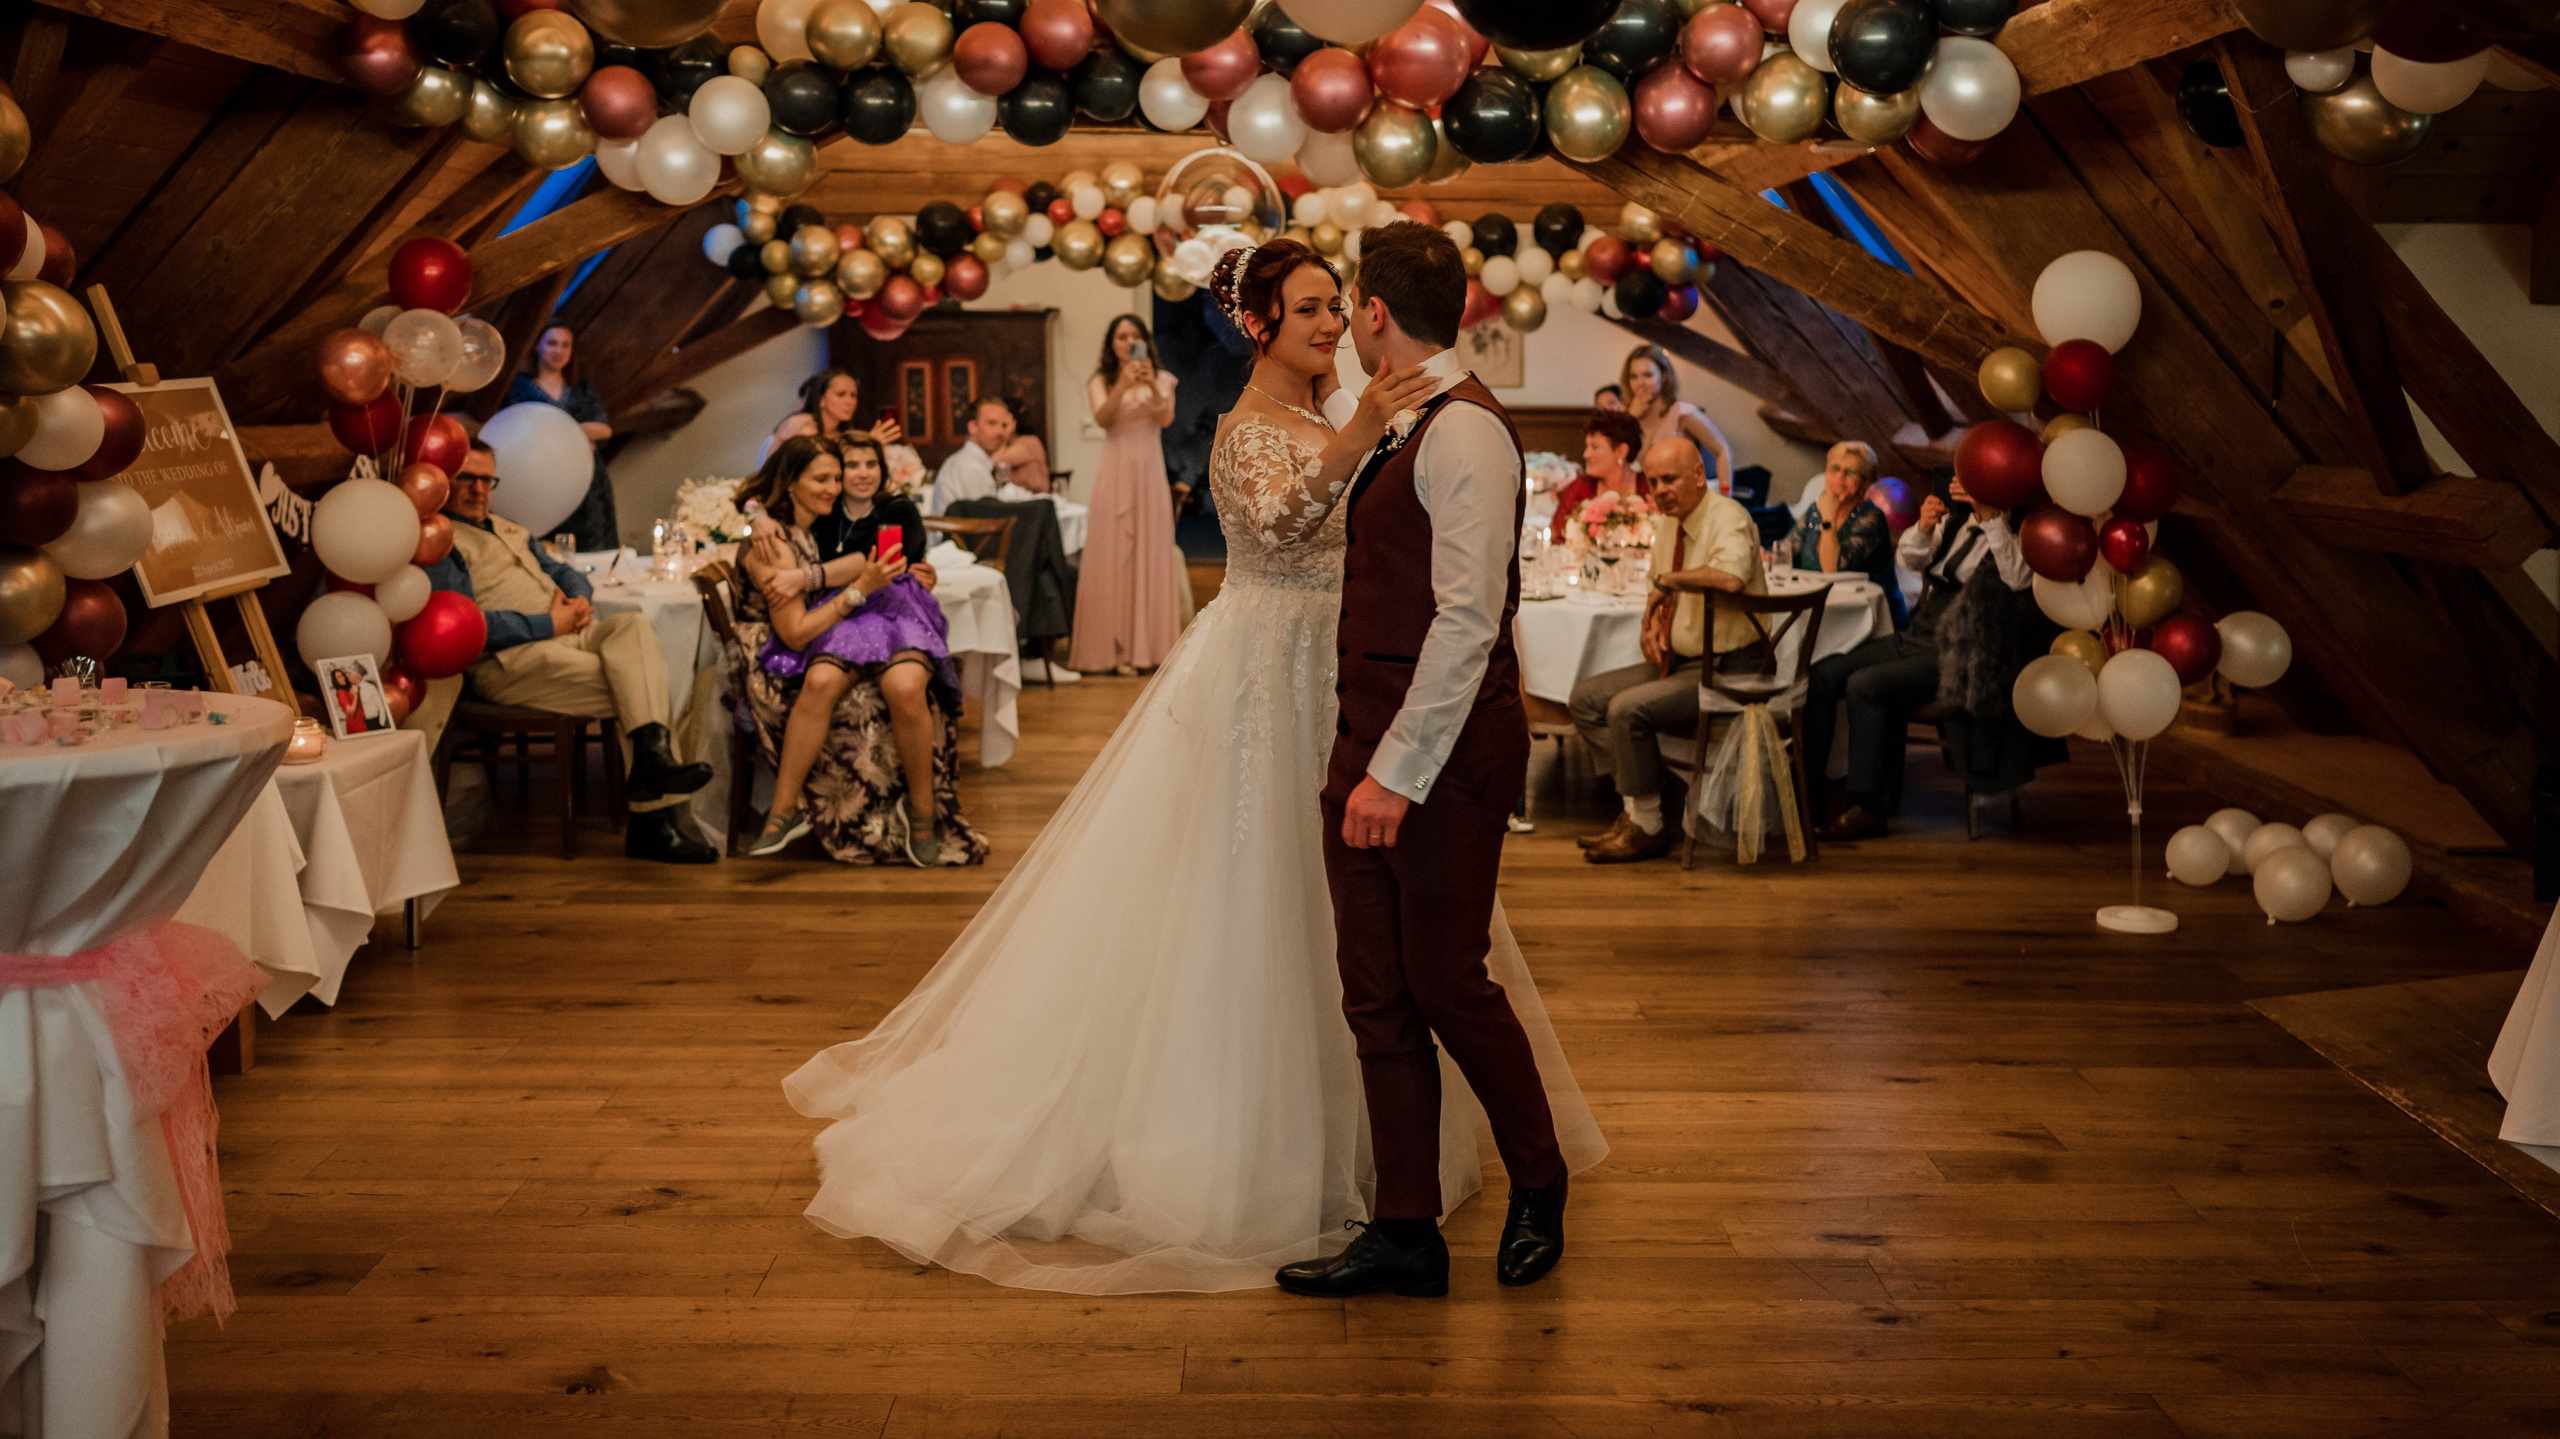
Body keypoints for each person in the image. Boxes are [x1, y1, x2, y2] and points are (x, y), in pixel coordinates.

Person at [781, 233, 1602, 1297]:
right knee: (1313, 937)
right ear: (1260, 324)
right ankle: (1370, 1201)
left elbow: (1456, 604)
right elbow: (1271, 519)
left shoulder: (1439, 427)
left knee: (1431, 965)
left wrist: (1399, 746)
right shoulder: (1279, 425)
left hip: (1375, 703)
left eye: (1334, 306)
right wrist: (1356, 435)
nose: (1327, 324)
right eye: (1305, 308)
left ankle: (1479, 1181)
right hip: (1278, 676)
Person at [1275, 221, 1589, 1302]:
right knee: (1374, 990)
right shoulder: (1401, 418)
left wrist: (1393, 774)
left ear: (1372, 312)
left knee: (1447, 978)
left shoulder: (1467, 434)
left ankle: (1539, 1179)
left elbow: (1466, 624)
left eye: (1348, 306)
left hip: (1438, 752)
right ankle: (1404, 1228)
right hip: (1363, 728)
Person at [424, 440, 717, 864]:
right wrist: (548, 624)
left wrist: (579, 597)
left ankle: (651, 767)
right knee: (645, 683)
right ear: (445, 482)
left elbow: (561, 569)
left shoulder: (509, 528)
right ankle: (653, 822)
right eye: (466, 478)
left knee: (633, 626)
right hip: (511, 660)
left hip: (571, 633)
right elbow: (465, 627)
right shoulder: (443, 542)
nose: (478, 489)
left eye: (487, 480)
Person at [733, 436, 982, 867]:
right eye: (841, 470)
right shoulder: (806, 523)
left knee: (905, 688)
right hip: (841, 617)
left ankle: (923, 814)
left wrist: (807, 577)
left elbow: (875, 559)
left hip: (889, 608)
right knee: (821, 679)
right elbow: (757, 497)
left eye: (869, 465)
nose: (842, 480)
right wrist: (756, 517)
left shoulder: (891, 510)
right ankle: (783, 811)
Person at [1568, 438, 1770, 866]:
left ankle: (1648, 826)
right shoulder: (1669, 524)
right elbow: (1657, 586)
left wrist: (1670, 583)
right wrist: (1651, 625)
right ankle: (1639, 807)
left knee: (1626, 710)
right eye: (1654, 480)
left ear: (1699, 475)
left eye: (1669, 479)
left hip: (1731, 669)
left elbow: (1731, 578)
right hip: (1682, 662)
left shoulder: (1727, 516)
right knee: (1585, 699)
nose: (1658, 490)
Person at [1807, 476, 2033, 843]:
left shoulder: (2021, 533)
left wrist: (1993, 520)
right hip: (1921, 631)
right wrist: (1925, 527)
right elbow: (1908, 560)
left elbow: (2018, 579)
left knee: (1866, 685)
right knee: (1823, 674)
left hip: (1965, 650)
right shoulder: (1956, 523)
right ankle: (1809, 790)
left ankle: (1869, 808)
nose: (1961, 482)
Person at [931, 396, 1083, 684]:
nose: (1000, 432)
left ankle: (1027, 653)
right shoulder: (967, 466)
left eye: (1004, 425)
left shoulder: (983, 463)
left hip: (981, 545)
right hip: (964, 551)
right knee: (1047, 564)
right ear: (973, 427)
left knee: (1045, 563)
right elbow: (983, 521)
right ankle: (1027, 654)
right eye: (991, 424)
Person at [1068, 313, 1184, 675]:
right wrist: (1122, 383)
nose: (1127, 341)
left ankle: (1148, 649)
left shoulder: (1163, 379)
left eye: (1135, 335)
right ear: (1112, 343)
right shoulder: (1100, 380)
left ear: (1145, 342)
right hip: (1114, 471)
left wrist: (1149, 385)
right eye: (1121, 336)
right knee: (1112, 554)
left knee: (1150, 552)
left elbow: (1165, 419)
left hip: (1150, 473)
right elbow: (1103, 418)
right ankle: (1113, 649)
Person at [506, 324, 619, 552]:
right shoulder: (520, 388)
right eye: (552, 343)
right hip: (540, 478)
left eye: (565, 345)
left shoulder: (582, 388)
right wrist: (578, 432)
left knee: (594, 544)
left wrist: (558, 429)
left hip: (587, 480)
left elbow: (604, 429)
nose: (558, 350)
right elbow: (518, 430)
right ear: (538, 346)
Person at [1782, 440, 1906, 628]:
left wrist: (1829, 518)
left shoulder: (1871, 517)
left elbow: (1833, 570)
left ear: (1865, 483)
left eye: (1850, 473)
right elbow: (1787, 549)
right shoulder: (1816, 510)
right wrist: (1768, 554)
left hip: (1866, 619)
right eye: (1835, 469)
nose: (1839, 477)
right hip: (1821, 609)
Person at [1620, 343, 1734, 497]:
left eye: (1648, 375)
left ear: (1664, 376)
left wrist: (1726, 495)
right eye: (1634, 376)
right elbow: (1617, 463)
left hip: (1684, 500)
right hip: (1644, 502)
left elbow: (1722, 451)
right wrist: (1629, 419)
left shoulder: (1682, 412)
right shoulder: (1626, 417)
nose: (1640, 383)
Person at [1546, 409, 1649, 544]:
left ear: (1621, 451)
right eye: (1587, 446)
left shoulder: (1648, 489)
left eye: (1594, 447)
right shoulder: (1580, 489)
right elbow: (1558, 539)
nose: (1586, 454)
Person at [765, 368, 901, 461]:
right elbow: (814, 466)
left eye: (853, 395)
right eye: (841, 394)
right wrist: (866, 445)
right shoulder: (801, 423)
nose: (850, 401)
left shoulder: (844, 434)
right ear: (821, 399)